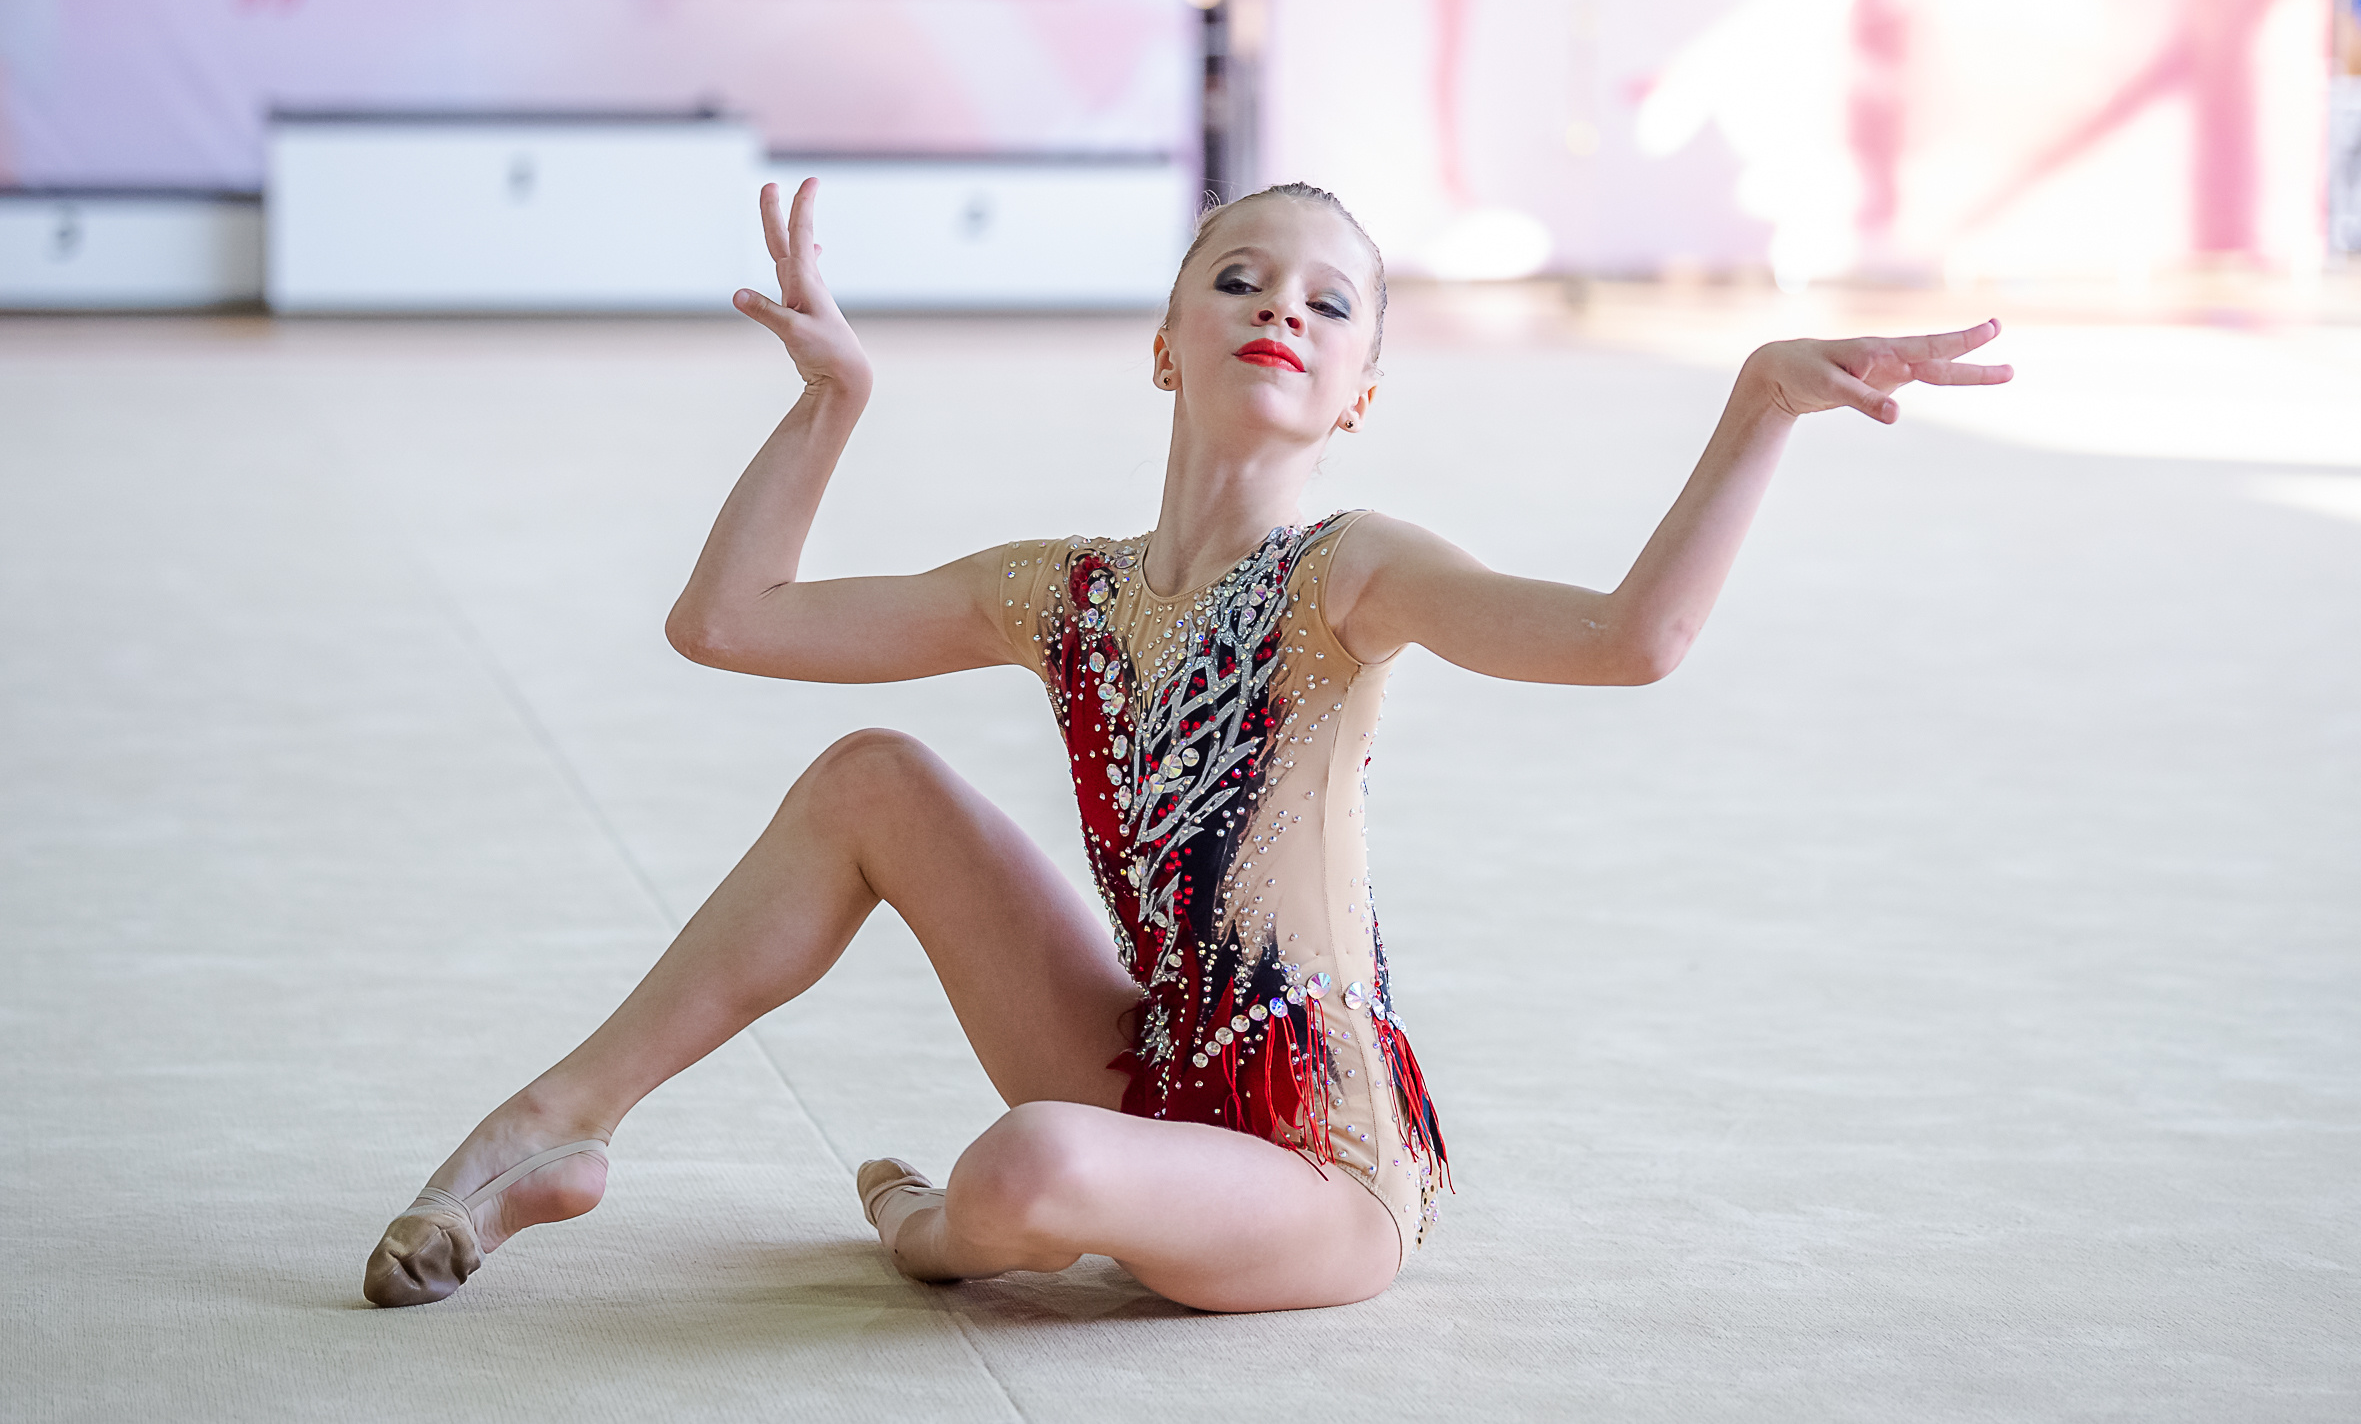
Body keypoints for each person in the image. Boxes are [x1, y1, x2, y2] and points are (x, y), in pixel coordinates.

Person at [363, 178, 2009, 1314]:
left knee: (1027, 1164)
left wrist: (1758, 407)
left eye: (1328, 299)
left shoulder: (1354, 571)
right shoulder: (1059, 594)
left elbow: (1628, 640)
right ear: (1165, 343)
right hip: (1152, 1059)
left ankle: (935, 1228)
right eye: (1239, 278)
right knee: (873, 776)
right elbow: (728, 620)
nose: (1279, 307)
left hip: (1317, 1164)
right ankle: (545, 1132)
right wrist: (830, 405)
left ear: (1359, 387)